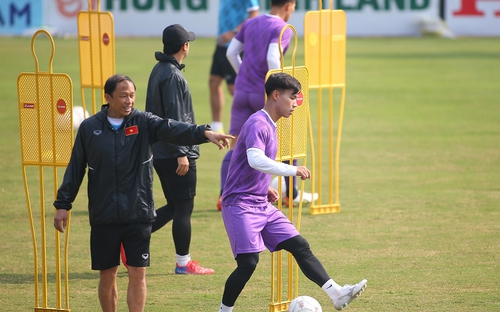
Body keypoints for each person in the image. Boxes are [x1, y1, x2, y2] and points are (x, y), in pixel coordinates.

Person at [53, 74, 233, 312]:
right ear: (108, 97)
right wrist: (63, 204)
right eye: (123, 96)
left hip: (138, 213)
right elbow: (75, 168)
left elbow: (174, 128)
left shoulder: (144, 122)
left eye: (132, 95)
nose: (129, 100)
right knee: (107, 275)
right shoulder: (89, 128)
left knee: (138, 273)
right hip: (104, 214)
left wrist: (205, 133)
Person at [218, 73, 367, 312]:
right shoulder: (258, 122)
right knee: (248, 263)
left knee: (300, 245)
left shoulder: (272, 125)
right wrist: (292, 170)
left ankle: (337, 293)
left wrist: (263, 187)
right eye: (292, 97)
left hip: (260, 203)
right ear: (276, 95)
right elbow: (255, 159)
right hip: (240, 204)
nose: (295, 104)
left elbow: (247, 165)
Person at [217, 0, 317, 210]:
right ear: (289, 5)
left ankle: (223, 195)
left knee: (235, 145)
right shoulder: (281, 27)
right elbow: (272, 57)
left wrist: (243, 75)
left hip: (242, 91)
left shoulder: (251, 22)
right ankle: (291, 193)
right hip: (264, 93)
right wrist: (277, 87)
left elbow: (231, 52)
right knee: (286, 141)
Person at [140, 23, 214, 275]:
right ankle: (183, 263)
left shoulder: (159, 69)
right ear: (184, 46)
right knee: (183, 208)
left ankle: (130, 241)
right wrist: (182, 152)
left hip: (161, 151)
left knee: (174, 206)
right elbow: (173, 117)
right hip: (175, 152)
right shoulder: (172, 75)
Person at [208, 0, 259, 133]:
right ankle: (216, 127)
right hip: (222, 44)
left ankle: (253, 126)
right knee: (214, 82)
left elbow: (254, 14)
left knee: (235, 89)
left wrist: (233, 32)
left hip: (237, 45)